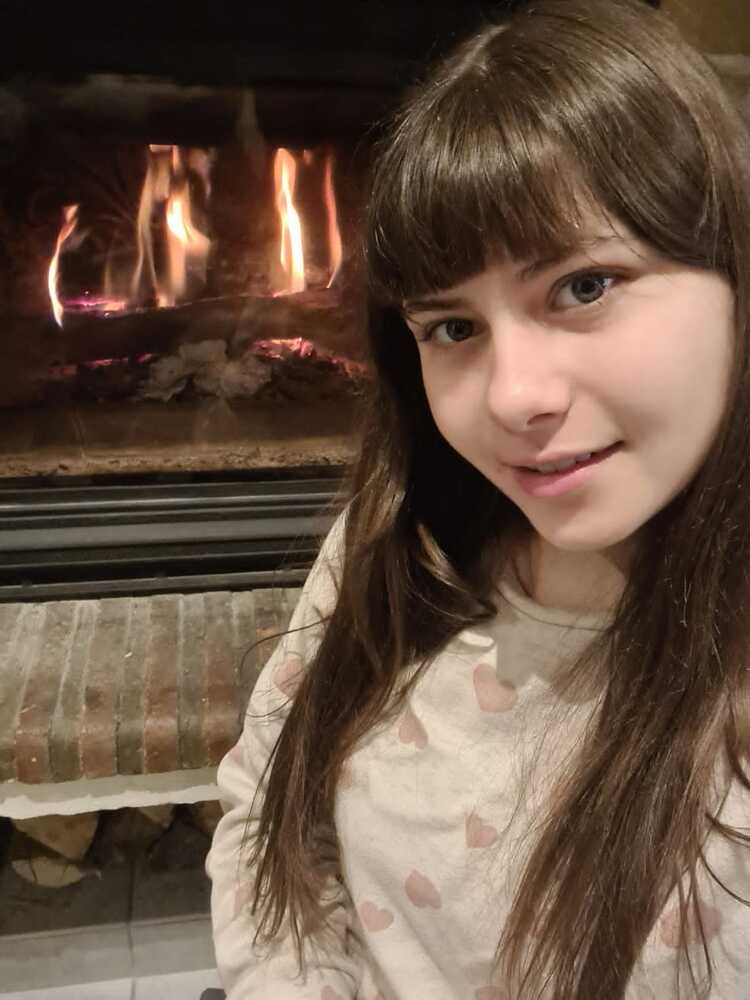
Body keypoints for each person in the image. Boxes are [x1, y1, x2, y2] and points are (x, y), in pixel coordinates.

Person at [206, 0, 750, 996]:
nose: (511, 399)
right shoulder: (401, 534)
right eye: (453, 328)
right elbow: (267, 811)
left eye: (584, 286)